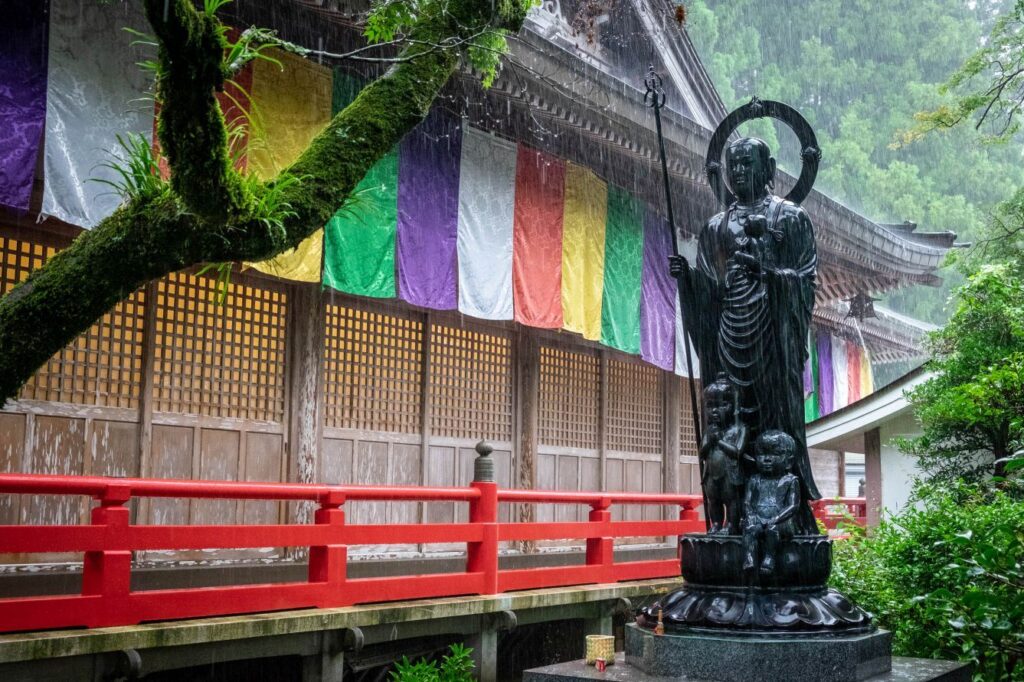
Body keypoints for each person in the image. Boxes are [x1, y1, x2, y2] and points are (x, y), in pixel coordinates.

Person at [671, 136, 820, 534]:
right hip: (728, 338)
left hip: (773, 338)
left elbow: (806, 283)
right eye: (732, 166)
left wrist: (767, 274)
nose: (739, 172)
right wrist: (688, 282)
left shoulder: (790, 218)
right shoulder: (715, 227)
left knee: (772, 424)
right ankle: (732, 518)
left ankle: (782, 514)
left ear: (769, 169)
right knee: (726, 419)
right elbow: (710, 291)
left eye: (747, 164)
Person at [742, 430, 800, 576]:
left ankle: (769, 557)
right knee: (750, 528)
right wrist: (751, 515)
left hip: (781, 520)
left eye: (774, 454)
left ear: (788, 461)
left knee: (772, 530)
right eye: (762, 454)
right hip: (758, 516)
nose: (767, 459)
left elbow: (793, 505)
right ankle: (749, 557)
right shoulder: (755, 479)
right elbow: (747, 502)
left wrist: (777, 518)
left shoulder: (790, 480)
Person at [699, 374, 748, 534]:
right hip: (711, 473)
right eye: (710, 406)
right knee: (714, 500)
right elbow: (702, 453)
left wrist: (719, 442)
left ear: (732, 406)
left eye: (720, 406)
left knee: (731, 500)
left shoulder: (739, 428)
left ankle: (731, 525)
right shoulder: (709, 430)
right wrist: (710, 441)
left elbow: (738, 451)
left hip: (730, 472)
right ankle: (716, 524)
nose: (714, 411)